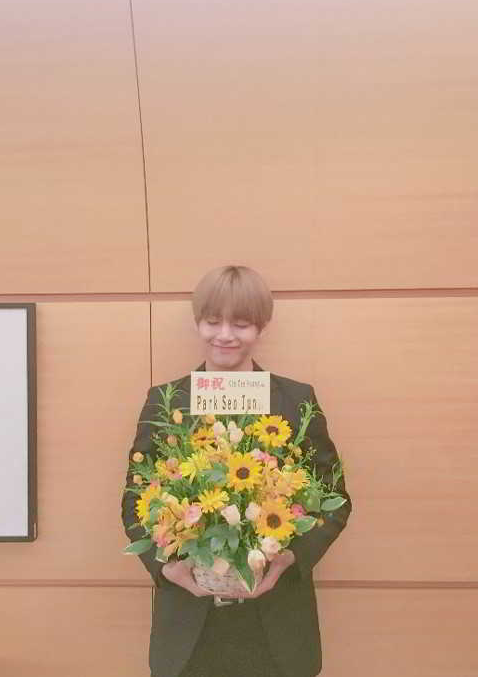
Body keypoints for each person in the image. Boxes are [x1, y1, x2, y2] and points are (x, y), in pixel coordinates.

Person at [121, 265, 352, 677]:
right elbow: (136, 499)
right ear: (198, 322)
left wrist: (289, 558)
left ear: (262, 327)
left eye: (241, 324)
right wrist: (166, 567)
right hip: (190, 624)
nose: (225, 335)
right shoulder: (166, 401)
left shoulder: (295, 399)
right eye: (213, 322)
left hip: (277, 621)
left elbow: (335, 498)